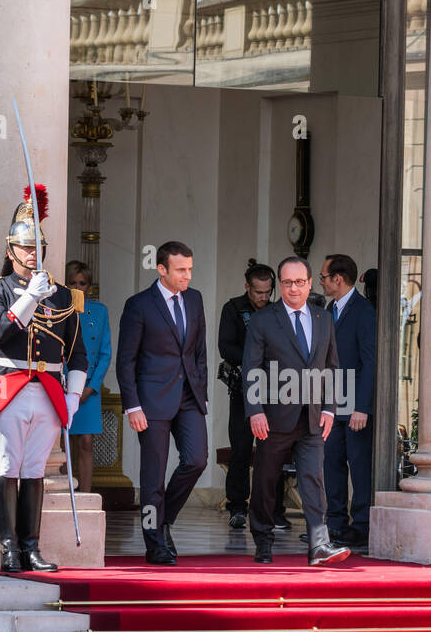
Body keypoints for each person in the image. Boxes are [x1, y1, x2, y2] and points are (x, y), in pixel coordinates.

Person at [0, 185, 89, 574]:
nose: (32, 254)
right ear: (10, 251)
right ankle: (8, 548)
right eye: (25, 247)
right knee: (8, 467)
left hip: (49, 390)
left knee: (35, 470)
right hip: (10, 387)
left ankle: (31, 547)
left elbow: (77, 352)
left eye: (37, 247)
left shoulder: (64, 297)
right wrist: (30, 298)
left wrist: (72, 395)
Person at [243, 256, 349, 567]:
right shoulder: (264, 319)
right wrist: (255, 411)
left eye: (299, 282)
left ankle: (319, 544)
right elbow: (251, 368)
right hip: (273, 417)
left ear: (310, 283)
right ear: (280, 284)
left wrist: (330, 408)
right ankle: (263, 540)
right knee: (265, 480)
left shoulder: (323, 318)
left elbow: (332, 366)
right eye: (287, 282)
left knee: (313, 479)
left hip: (313, 417)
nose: (293, 288)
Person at [115, 240, 208, 566]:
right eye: (181, 270)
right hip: (151, 402)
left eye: (190, 269)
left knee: (197, 460)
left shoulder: (194, 299)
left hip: (189, 399)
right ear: (162, 269)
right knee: (152, 478)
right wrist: (133, 405)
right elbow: (126, 360)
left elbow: (199, 352)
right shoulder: (139, 305)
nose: (187, 275)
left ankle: (164, 517)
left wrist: (202, 391)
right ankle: (155, 542)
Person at [218, 259, 287, 530]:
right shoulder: (233, 309)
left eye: (267, 292)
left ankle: (275, 510)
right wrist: (256, 359)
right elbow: (226, 348)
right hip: (244, 388)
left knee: (275, 449)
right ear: (247, 287)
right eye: (258, 292)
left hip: (275, 389)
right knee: (241, 447)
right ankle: (237, 506)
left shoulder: (277, 312)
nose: (262, 297)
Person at [319, 253, 376, 547]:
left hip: (354, 406)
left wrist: (362, 407)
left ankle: (363, 523)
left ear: (337, 279)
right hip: (333, 404)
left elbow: (370, 362)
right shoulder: (331, 308)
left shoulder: (364, 311)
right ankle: (337, 523)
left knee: (359, 464)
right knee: (332, 464)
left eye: (324, 277)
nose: (321, 282)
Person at [63, 260, 112, 493]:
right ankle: (63, 493)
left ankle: (85, 496)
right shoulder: (57, 309)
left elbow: (105, 353)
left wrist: (90, 388)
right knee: (61, 444)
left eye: (82, 283)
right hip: (61, 385)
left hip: (88, 389)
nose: (77, 287)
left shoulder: (100, 312)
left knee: (85, 442)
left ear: (89, 286)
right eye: (72, 282)